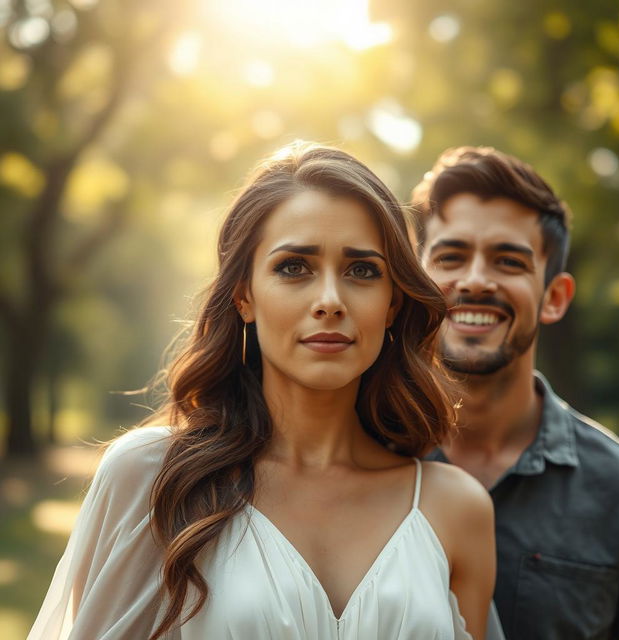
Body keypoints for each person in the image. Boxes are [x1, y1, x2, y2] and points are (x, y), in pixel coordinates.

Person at [29, 142, 496, 640]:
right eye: (294, 267)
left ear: (393, 305)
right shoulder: (154, 477)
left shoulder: (455, 507)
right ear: (244, 296)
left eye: (362, 270)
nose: (330, 301)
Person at [411, 145, 619, 640]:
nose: (474, 281)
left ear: (553, 298)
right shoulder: (358, 455)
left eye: (507, 262)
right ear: (416, 281)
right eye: (451, 256)